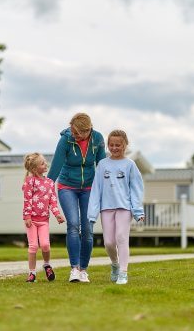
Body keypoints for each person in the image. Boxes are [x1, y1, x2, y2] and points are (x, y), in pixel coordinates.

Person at [48, 113, 106, 283]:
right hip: (67, 187)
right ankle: (74, 268)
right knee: (73, 225)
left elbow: (101, 165)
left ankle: (83, 269)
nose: (74, 135)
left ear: (87, 131)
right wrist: (46, 187)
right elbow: (56, 165)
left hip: (89, 188)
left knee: (87, 229)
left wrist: (105, 189)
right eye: (72, 132)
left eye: (77, 133)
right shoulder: (66, 140)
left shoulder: (97, 139)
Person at [87, 130, 144, 285]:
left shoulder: (130, 165)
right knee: (109, 242)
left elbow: (136, 188)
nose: (114, 147)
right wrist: (92, 214)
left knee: (121, 237)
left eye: (118, 145)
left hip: (124, 208)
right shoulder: (102, 164)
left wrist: (138, 211)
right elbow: (96, 189)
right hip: (106, 208)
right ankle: (115, 264)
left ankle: (123, 272)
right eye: (111, 145)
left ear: (124, 145)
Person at [22, 153, 65, 283]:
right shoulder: (30, 182)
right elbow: (27, 200)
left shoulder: (50, 183)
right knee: (33, 246)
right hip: (32, 220)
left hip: (43, 220)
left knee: (45, 245)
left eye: (45, 162)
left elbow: (52, 201)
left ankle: (46, 265)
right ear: (35, 169)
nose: (45, 164)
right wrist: (27, 216)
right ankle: (32, 273)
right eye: (42, 163)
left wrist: (57, 214)